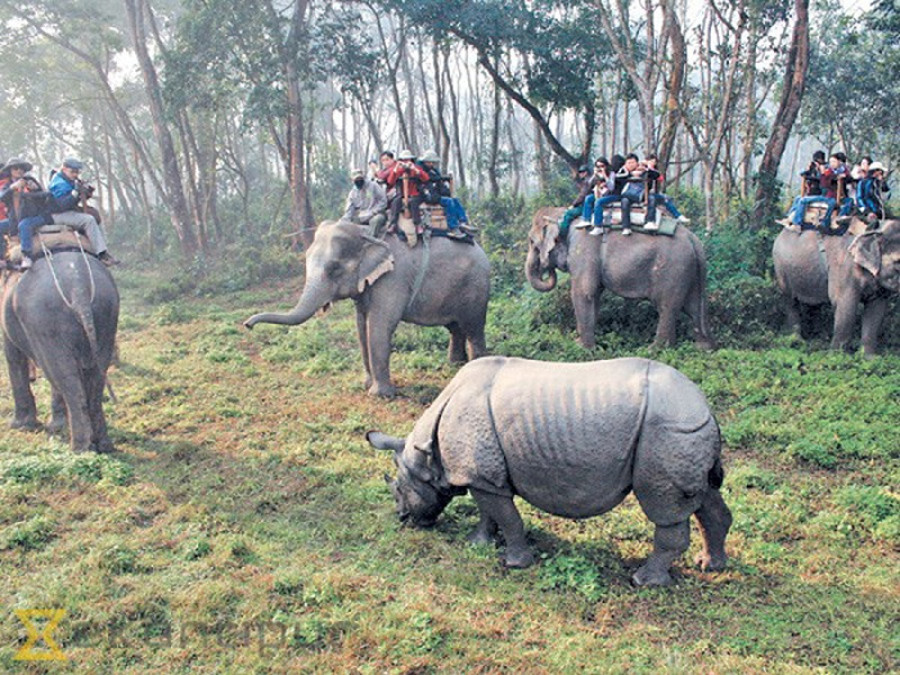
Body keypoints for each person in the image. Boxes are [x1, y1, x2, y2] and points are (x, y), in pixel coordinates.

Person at [47, 158, 118, 266]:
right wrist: (76, 192)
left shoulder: (69, 180)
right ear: (64, 169)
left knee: (94, 214)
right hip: (58, 215)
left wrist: (85, 192)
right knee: (88, 220)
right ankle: (101, 253)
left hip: (67, 212)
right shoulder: (58, 183)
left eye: (77, 172)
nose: (75, 175)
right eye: (72, 172)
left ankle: (99, 246)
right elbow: (62, 205)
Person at [0, 158, 55, 270]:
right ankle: (3, 259)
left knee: (24, 225)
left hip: (37, 217)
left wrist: (33, 190)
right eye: (16, 168)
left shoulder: (30, 181)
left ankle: (27, 256)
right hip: (15, 219)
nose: (19, 171)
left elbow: (46, 196)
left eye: (22, 169)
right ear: (10, 171)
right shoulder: (8, 185)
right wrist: (13, 188)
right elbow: (3, 197)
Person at [417, 150, 470, 239]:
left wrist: (446, 190)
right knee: (448, 202)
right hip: (428, 196)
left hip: (436, 193)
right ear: (425, 161)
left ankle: (463, 221)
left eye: (432, 162)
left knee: (454, 200)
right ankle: (453, 227)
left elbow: (439, 182)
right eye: (430, 162)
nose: (431, 164)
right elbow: (430, 180)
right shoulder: (421, 171)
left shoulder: (433, 170)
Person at [778, 150, 827, 229]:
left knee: (802, 200)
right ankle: (789, 217)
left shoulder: (825, 168)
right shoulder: (814, 167)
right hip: (813, 192)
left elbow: (822, 180)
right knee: (798, 198)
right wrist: (809, 169)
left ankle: (797, 222)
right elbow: (803, 174)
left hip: (821, 193)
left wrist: (820, 169)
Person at [386, 149, 429, 232]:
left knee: (413, 202)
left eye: (408, 160)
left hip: (415, 193)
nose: (406, 162)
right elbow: (390, 181)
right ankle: (393, 224)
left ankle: (418, 224)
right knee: (396, 202)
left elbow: (426, 178)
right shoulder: (398, 169)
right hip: (401, 194)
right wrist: (396, 169)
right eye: (404, 160)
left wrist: (414, 169)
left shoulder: (416, 168)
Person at [643, 154, 690, 224]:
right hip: (643, 194)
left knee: (666, 199)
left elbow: (660, 177)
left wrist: (650, 168)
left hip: (651, 193)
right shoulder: (642, 168)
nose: (652, 163)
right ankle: (651, 221)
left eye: (654, 162)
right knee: (661, 199)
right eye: (651, 161)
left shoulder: (653, 171)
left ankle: (678, 216)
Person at [342, 167, 387, 237]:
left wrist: (374, 211)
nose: (359, 181)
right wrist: (344, 220)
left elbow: (383, 201)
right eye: (356, 180)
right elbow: (349, 210)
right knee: (351, 225)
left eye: (360, 179)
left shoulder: (373, 186)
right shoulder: (352, 193)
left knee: (376, 220)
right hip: (362, 216)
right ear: (352, 181)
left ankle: (371, 240)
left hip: (375, 214)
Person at [573, 159, 609, 235]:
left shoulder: (610, 173)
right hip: (596, 196)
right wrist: (595, 174)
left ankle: (598, 225)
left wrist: (574, 204)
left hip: (607, 194)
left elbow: (584, 193)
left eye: (602, 166)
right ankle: (586, 220)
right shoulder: (593, 177)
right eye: (598, 166)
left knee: (569, 214)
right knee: (589, 198)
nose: (600, 168)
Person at [817, 152, 853, 229]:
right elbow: (824, 184)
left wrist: (845, 176)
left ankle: (841, 217)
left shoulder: (844, 170)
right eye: (830, 162)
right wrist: (826, 175)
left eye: (834, 161)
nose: (832, 164)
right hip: (831, 196)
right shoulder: (829, 171)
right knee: (832, 203)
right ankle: (825, 222)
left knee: (850, 201)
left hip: (841, 196)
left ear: (839, 162)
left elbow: (850, 179)